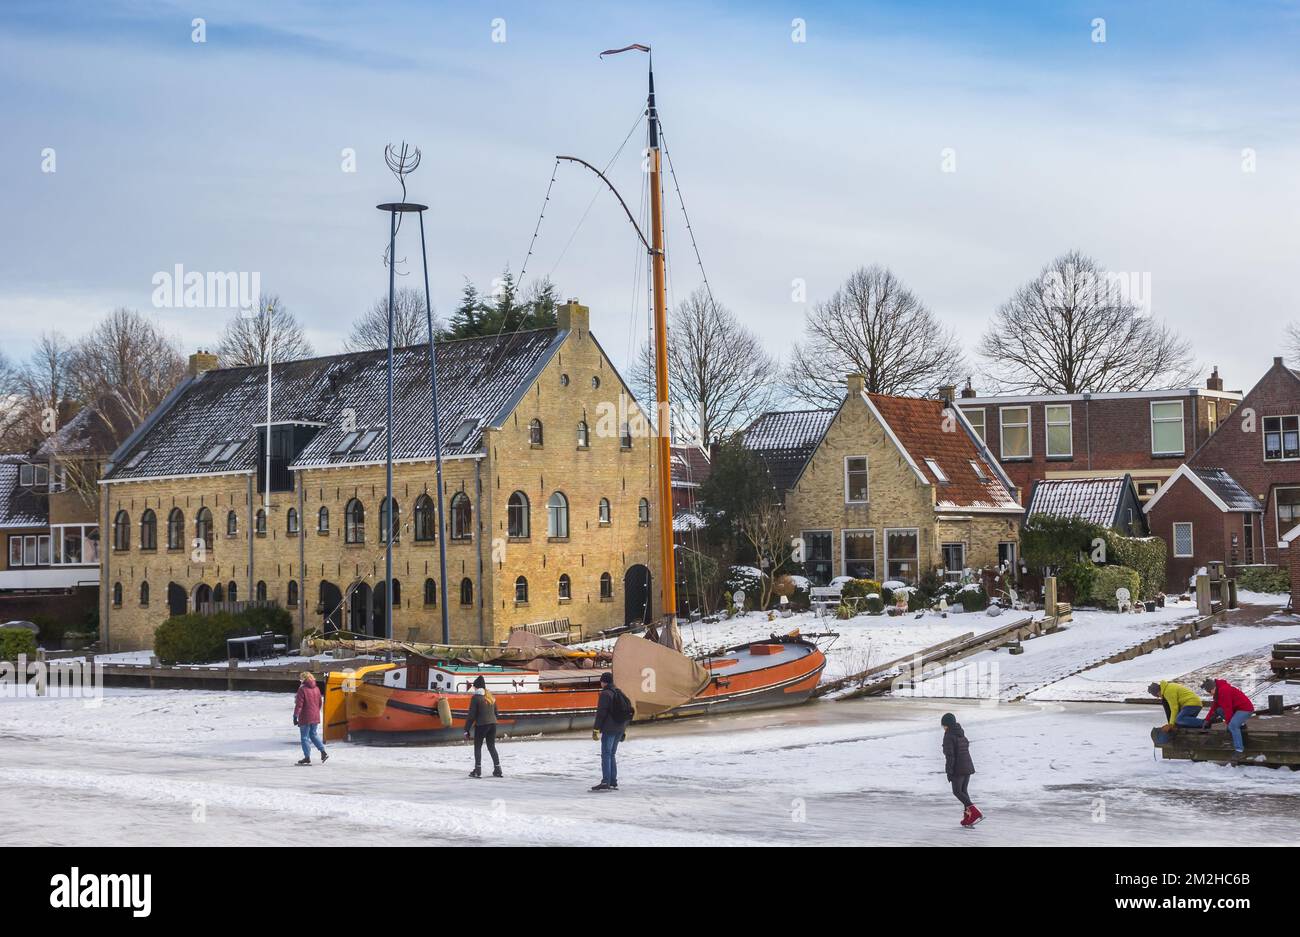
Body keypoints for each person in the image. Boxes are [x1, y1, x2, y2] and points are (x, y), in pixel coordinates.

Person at [591, 672, 632, 792]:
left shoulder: (605, 694)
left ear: (604, 682)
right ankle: (613, 781)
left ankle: (605, 782)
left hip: (609, 729)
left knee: (606, 755)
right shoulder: (619, 692)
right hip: (619, 728)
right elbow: (626, 713)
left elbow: (601, 714)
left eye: (601, 681)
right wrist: (623, 731)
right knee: (611, 754)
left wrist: (596, 729)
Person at [941, 712, 982, 827]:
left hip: (958, 768)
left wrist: (949, 772)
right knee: (963, 791)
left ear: (947, 725)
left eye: (943, 725)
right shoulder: (961, 733)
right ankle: (968, 816)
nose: (943, 727)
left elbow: (950, 756)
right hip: (967, 766)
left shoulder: (949, 735)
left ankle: (975, 812)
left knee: (957, 791)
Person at [1201, 677, 1255, 754]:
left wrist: (1229, 724)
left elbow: (1227, 708)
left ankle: (1239, 750)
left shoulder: (1224, 690)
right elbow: (1214, 707)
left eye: (1209, 691)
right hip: (1236, 710)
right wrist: (1207, 719)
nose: (1210, 693)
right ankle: (1240, 725)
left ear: (1213, 688)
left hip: (1245, 709)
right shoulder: (1218, 692)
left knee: (1232, 726)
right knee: (1219, 710)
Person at [464, 675, 502, 778]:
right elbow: (496, 713)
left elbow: (471, 716)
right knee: (491, 746)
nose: (474, 688)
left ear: (477, 687)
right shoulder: (491, 697)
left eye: (474, 686)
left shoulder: (476, 698)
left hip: (482, 725)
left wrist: (466, 729)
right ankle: (498, 769)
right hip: (493, 724)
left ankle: (477, 770)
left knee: (478, 747)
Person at [294, 672, 328, 766]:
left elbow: (299, 704)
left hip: (305, 716)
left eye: (301, 679)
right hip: (315, 715)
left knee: (304, 737)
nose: (300, 680)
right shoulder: (316, 688)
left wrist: (295, 716)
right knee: (313, 734)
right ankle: (323, 752)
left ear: (303, 679)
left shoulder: (302, 689)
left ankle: (307, 757)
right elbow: (320, 703)